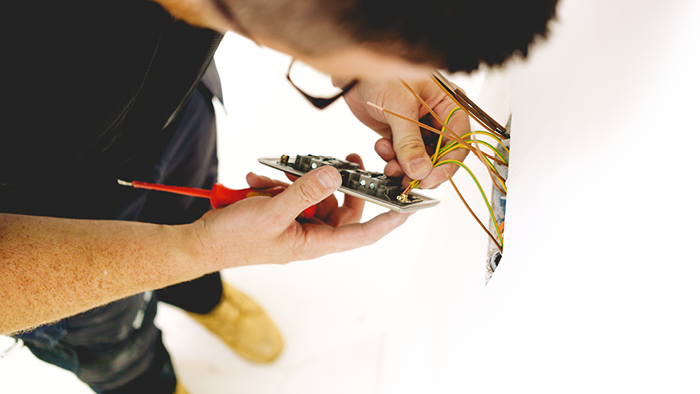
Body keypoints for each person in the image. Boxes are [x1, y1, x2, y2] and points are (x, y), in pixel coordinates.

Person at [0, 0, 558, 393]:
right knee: (112, 345)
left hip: (172, 117)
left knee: (194, 206)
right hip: (41, 229)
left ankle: (203, 297)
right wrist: (200, 248)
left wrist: (351, 58)